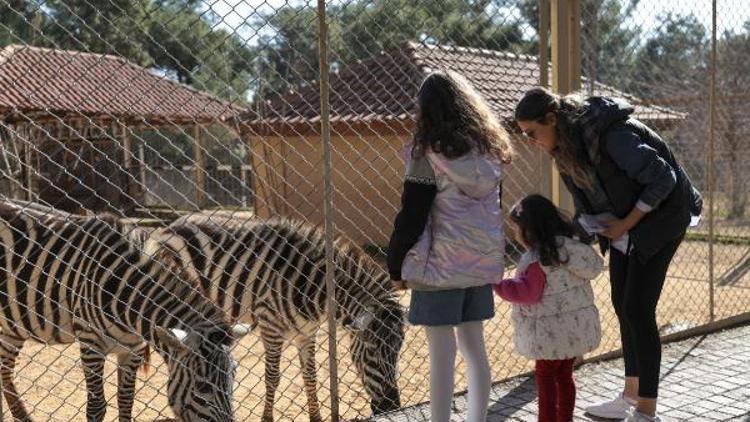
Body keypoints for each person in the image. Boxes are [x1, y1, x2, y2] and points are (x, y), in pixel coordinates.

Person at [514, 88, 703, 422]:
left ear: (553, 119)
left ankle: (647, 410)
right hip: (625, 226)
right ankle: (630, 394)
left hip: (664, 218)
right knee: (621, 303)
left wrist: (624, 223)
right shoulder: (563, 151)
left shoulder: (611, 135)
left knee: (638, 308)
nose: (530, 141)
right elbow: (586, 209)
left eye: (532, 132)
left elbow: (663, 178)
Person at [387, 70, 513, 422]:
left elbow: (412, 214)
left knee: (441, 356)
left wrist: (395, 265)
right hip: (479, 266)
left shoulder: (426, 155)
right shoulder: (489, 152)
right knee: (475, 349)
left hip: (439, 268)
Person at [494, 194, 603, 422]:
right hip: (575, 331)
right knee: (565, 375)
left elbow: (527, 293)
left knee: (545, 379)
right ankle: (565, 419)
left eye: (517, 228)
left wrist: (499, 285)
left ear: (530, 230)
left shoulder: (539, 259)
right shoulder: (572, 248)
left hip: (549, 335)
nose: (515, 233)